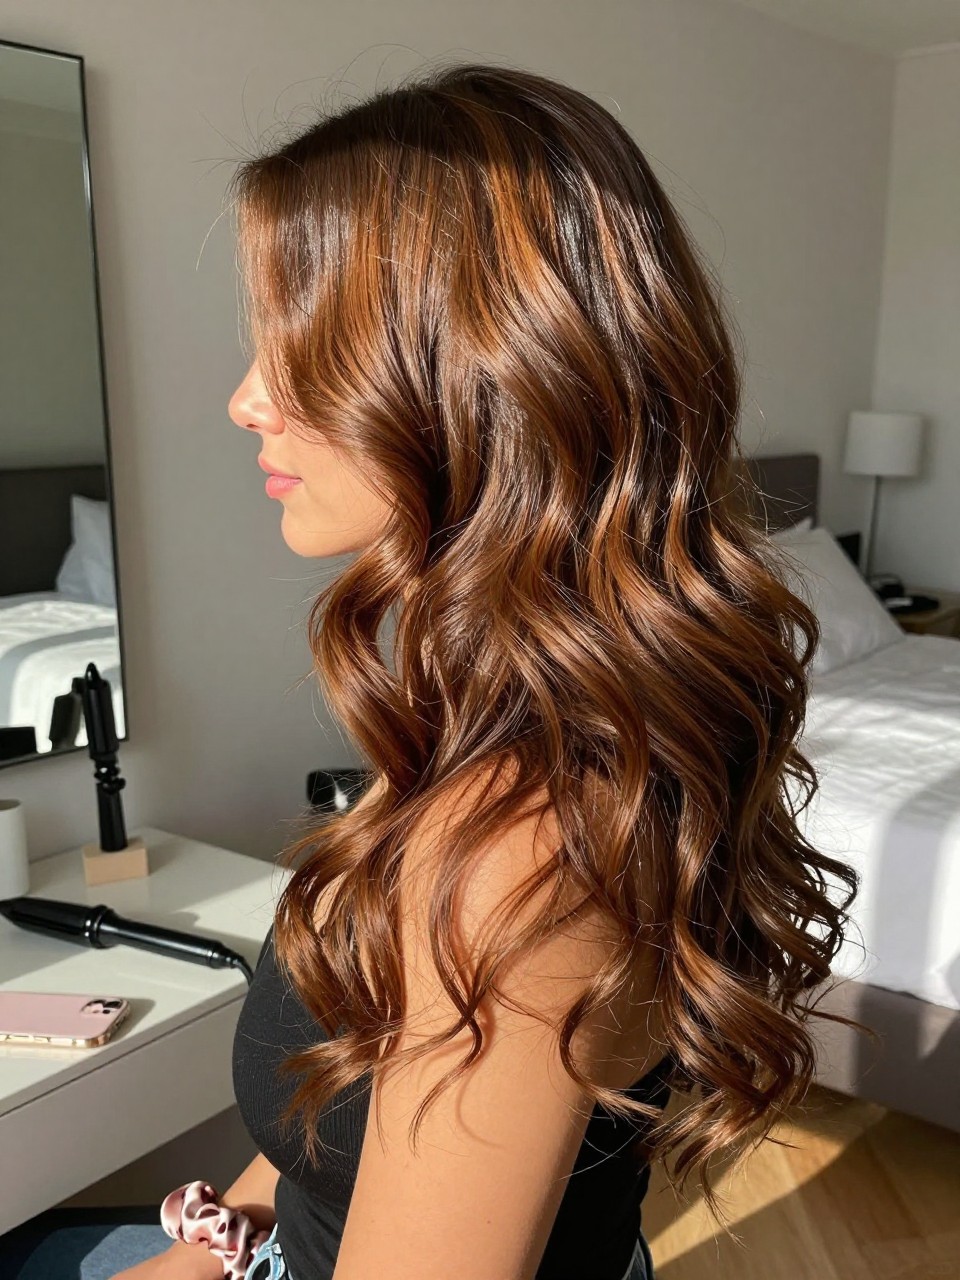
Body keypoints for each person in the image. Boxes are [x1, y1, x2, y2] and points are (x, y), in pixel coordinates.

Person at [8, 59, 869, 1280]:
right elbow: (353, 1106)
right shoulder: (505, 720)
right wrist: (210, 1243)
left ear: (478, 379)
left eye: (301, 350)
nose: (247, 397)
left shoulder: (520, 845)